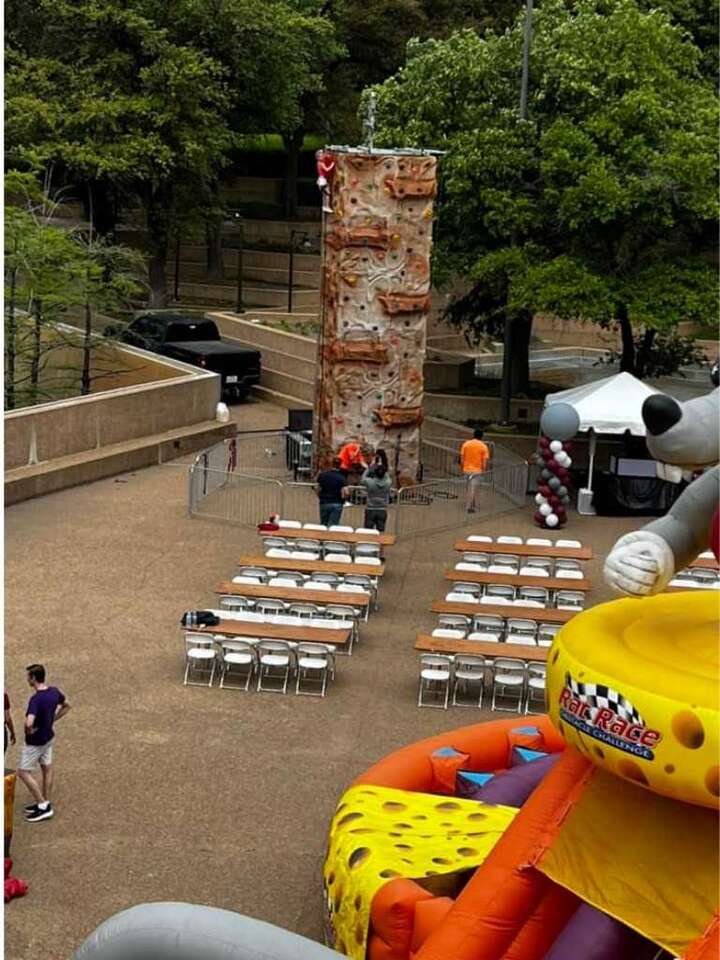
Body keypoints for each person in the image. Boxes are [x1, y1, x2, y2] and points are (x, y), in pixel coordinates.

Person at [17, 664, 71, 823]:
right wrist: (52, 719)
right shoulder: (54, 692)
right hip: (48, 737)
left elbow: (29, 723)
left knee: (23, 773)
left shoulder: (35, 700)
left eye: (28, 676)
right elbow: (67, 705)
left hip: (35, 742)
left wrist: (28, 731)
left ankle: (42, 805)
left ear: (33, 678)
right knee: (47, 768)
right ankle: (45, 802)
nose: (27, 679)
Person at [460, 428, 490, 513]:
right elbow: (484, 461)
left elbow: (462, 458)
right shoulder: (483, 446)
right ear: (482, 436)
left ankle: (471, 503)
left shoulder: (466, 444)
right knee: (473, 488)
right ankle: (469, 507)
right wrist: (484, 470)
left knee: (469, 487)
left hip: (466, 469)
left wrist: (462, 467)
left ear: (473, 435)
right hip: (477, 470)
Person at [315, 458, 348, 527]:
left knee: (323, 524)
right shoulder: (342, 478)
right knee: (333, 526)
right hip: (337, 503)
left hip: (324, 502)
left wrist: (320, 496)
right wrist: (343, 500)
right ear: (340, 465)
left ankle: (322, 537)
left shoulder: (323, 475)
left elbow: (317, 488)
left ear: (332, 464)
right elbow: (346, 492)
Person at [361, 463, 392, 532]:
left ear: (375, 473)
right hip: (382, 509)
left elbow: (363, 479)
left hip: (370, 508)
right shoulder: (388, 483)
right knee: (380, 532)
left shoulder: (369, 482)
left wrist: (368, 469)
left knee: (367, 531)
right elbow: (387, 477)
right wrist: (383, 470)